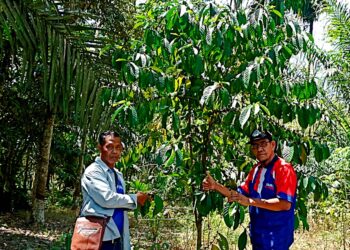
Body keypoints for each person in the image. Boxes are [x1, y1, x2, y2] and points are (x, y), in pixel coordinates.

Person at [202, 129, 297, 250]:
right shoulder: (255, 169)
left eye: (263, 144)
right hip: (258, 236)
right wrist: (215, 186)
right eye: (255, 146)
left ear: (273, 145)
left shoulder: (284, 169)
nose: (259, 149)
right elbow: (239, 195)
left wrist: (250, 201)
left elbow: (285, 204)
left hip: (277, 238)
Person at [80, 131, 149, 250]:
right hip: (99, 237)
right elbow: (106, 199)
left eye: (118, 147)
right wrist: (134, 199)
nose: (115, 152)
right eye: (109, 147)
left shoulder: (117, 174)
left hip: (116, 236)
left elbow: (117, 204)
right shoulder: (94, 171)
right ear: (100, 148)